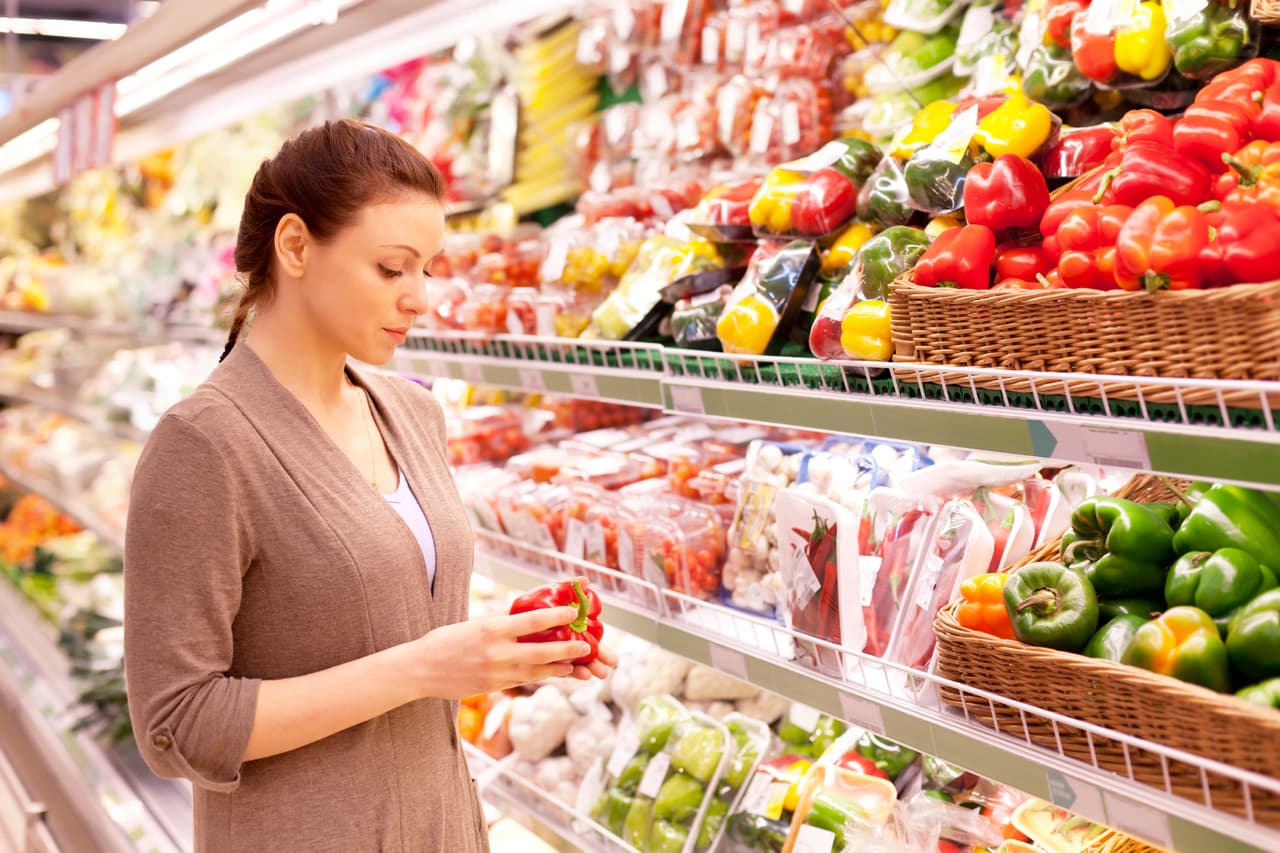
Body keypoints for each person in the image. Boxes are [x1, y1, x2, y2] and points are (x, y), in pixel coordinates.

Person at [123, 119, 613, 853]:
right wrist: (423, 668)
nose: (420, 297)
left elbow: (391, 636)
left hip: (442, 825)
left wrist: (505, 655)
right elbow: (177, 724)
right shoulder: (205, 445)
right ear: (295, 246)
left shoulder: (411, 411)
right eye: (392, 268)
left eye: (429, 268)